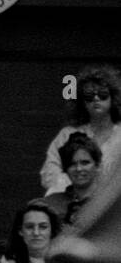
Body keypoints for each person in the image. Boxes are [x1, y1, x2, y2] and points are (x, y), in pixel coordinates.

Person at [39, 65, 121, 195]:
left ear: (113, 98)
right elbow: (50, 172)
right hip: (73, 203)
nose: (96, 98)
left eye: (103, 94)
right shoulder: (67, 135)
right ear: (82, 101)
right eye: (89, 95)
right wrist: (77, 188)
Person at [43, 133, 103, 231]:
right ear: (65, 169)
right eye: (72, 164)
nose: (79, 169)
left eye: (85, 163)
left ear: (98, 166)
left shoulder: (109, 202)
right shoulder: (50, 204)